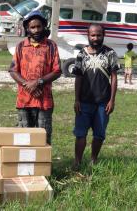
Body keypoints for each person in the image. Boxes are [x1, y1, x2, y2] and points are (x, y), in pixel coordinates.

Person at [9, 11, 61, 145]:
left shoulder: (51, 46)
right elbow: (13, 70)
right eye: (33, 27)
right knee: (24, 138)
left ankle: (41, 165)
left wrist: (38, 82)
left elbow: (57, 70)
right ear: (27, 28)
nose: (36, 30)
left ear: (44, 26)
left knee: (43, 138)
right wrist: (28, 85)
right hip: (24, 100)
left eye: (39, 26)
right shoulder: (21, 46)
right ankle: (25, 165)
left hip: (44, 100)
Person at [72, 24, 119, 170]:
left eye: (99, 35)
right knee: (80, 134)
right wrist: (76, 99)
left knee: (99, 134)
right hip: (84, 102)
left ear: (103, 34)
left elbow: (114, 78)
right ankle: (77, 161)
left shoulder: (110, 53)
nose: (96, 38)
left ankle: (93, 160)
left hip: (103, 103)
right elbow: (78, 78)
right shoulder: (81, 54)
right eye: (93, 35)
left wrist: (112, 100)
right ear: (88, 35)